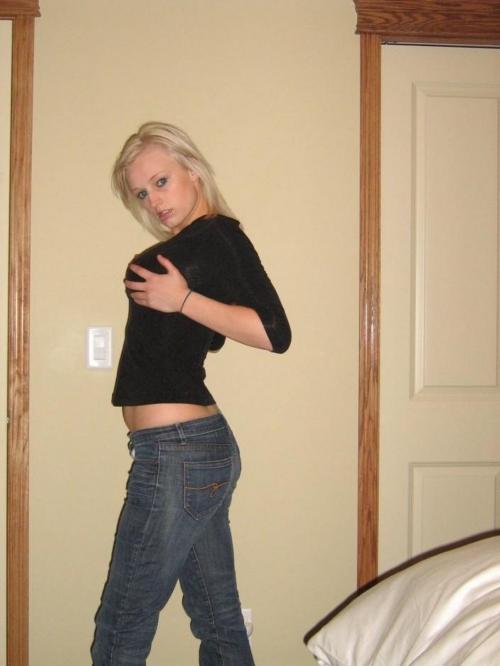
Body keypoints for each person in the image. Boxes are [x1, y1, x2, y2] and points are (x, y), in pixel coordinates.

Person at [91, 121, 291, 666]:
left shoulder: (219, 236)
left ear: (193, 170)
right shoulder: (194, 248)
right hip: (188, 450)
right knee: (217, 617)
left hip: (178, 452)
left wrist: (181, 300)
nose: (154, 201)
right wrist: (186, 304)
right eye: (141, 193)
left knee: (123, 620)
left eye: (161, 181)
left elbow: (275, 333)